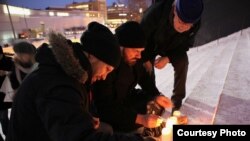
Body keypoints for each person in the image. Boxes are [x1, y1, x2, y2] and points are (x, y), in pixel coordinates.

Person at [6, 22, 153, 141]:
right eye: (107, 69)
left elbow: (63, 115)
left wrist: (86, 116)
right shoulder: (59, 82)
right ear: (93, 56)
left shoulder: (71, 74)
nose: (105, 76)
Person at [92, 21, 172, 133]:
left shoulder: (133, 60)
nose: (139, 56)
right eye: (135, 51)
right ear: (121, 46)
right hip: (109, 109)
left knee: (154, 105)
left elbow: (144, 78)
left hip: (126, 99)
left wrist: (156, 95)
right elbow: (105, 106)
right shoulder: (106, 67)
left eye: (141, 51)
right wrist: (140, 119)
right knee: (130, 121)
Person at [141, 0, 203, 114]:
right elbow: (141, 37)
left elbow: (185, 45)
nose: (182, 27)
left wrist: (168, 58)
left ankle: (177, 102)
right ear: (174, 9)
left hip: (172, 47)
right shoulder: (156, 12)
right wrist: (145, 59)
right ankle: (152, 98)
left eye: (188, 25)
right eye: (180, 21)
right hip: (150, 44)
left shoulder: (195, 24)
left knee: (182, 61)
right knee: (146, 69)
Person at [0, 46, 14, 141]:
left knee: (3, 118)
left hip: (5, 94)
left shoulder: (9, 61)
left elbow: (15, 73)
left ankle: (9, 137)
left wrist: (5, 72)